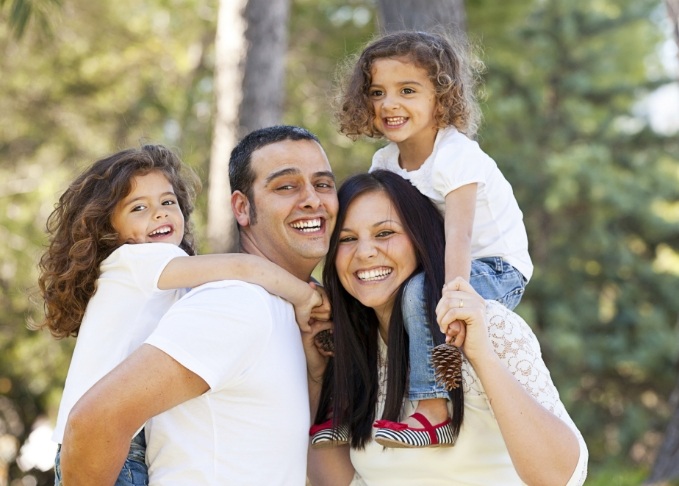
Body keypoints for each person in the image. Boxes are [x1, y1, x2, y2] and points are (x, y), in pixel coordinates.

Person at [54, 128, 337, 484]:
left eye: (324, 184)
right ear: (241, 207)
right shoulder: (235, 302)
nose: (312, 199)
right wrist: (306, 293)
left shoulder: (266, 307)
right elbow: (93, 422)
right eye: (286, 186)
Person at [313, 30, 533, 447]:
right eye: (377, 92)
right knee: (364, 301)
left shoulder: (457, 156)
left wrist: (452, 292)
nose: (389, 104)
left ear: (442, 97)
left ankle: (434, 412)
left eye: (407, 90)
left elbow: (460, 232)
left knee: (416, 294)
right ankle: (349, 409)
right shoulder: (384, 162)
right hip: (440, 259)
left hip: (496, 268)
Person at [307, 170, 588, 485]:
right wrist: (317, 375)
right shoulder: (355, 350)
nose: (365, 252)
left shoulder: (487, 325)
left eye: (384, 233)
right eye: (347, 239)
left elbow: (560, 476)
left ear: (420, 240)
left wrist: (481, 355)